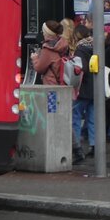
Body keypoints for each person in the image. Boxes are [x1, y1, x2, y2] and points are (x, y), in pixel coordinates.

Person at [72, 24, 97, 165]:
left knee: (75, 117)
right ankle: (94, 146)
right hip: (96, 90)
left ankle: (77, 148)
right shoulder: (97, 46)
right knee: (93, 119)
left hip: (83, 89)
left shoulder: (80, 49)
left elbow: (80, 69)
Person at [30, 19, 68, 85]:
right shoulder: (62, 45)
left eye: (43, 31)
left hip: (51, 85)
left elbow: (39, 68)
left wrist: (35, 58)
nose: (43, 33)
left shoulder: (48, 49)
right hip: (62, 83)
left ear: (47, 33)